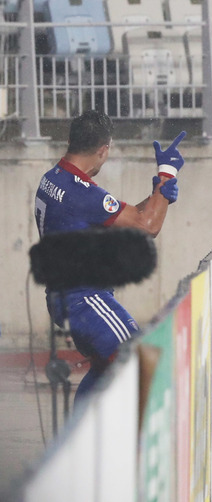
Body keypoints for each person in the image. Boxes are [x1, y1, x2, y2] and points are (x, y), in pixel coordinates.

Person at [33, 109, 186, 405]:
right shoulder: (84, 194)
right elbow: (148, 226)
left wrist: (158, 195)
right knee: (139, 363)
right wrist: (167, 177)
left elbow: (127, 217)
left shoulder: (53, 179)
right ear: (104, 150)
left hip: (65, 297)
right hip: (84, 300)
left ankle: (78, 440)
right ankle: (117, 445)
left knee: (106, 368)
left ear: (70, 140)